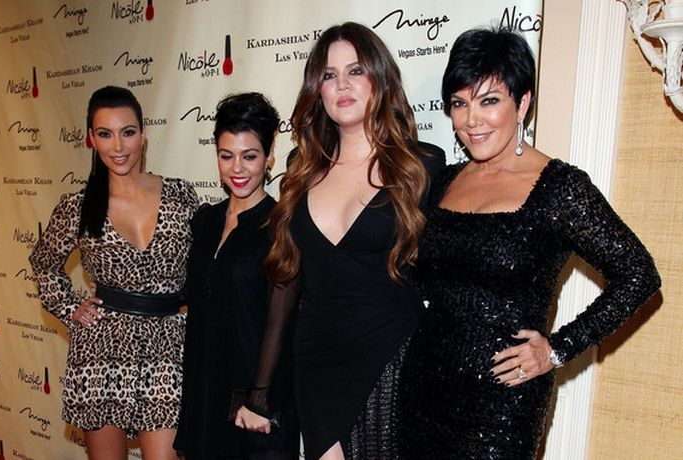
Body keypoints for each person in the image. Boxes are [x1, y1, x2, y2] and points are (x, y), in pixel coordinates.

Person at [397, 27, 661, 459]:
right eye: (459, 104)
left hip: (502, 404)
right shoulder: (444, 180)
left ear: (522, 103)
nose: (471, 120)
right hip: (423, 387)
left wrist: (558, 349)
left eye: (488, 101)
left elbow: (639, 274)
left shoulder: (560, 189)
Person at [253, 22, 443, 460]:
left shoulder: (422, 165)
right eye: (329, 75)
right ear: (316, 90)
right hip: (316, 361)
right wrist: (261, 389)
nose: (342, 84)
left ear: (380, 78)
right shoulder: (302, 166)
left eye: (355, 70)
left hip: (392, 357)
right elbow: (288, 280)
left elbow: (448, 273)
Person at [30, 86, 198, 460]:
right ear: (91, 138)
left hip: (166, 345)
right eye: (105, 134)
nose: (118, 146)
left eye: (128, 132)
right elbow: (44, 262)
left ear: (143, 135)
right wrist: (70, 308)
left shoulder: (180, 195)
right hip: (100, 348)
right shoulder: (77, 206)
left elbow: (203, 268)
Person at [174, 92, 299, 460]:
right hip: (205, 394)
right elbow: (192, 297)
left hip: (252, 406)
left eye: (250, 156)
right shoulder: (205, 221)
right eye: (226, 156)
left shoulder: (281, 226)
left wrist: (259, 401)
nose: (237, 169)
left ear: (270, 155)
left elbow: (281, 323)